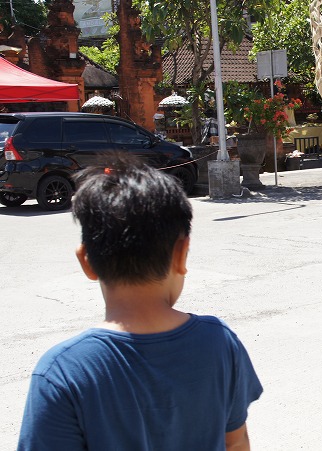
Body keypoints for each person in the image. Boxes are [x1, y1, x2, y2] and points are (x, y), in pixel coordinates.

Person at [17, 156, 262, 451]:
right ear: (182, 254)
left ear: (86, 261)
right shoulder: (219, 342)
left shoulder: (62, 371)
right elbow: (236, 443)